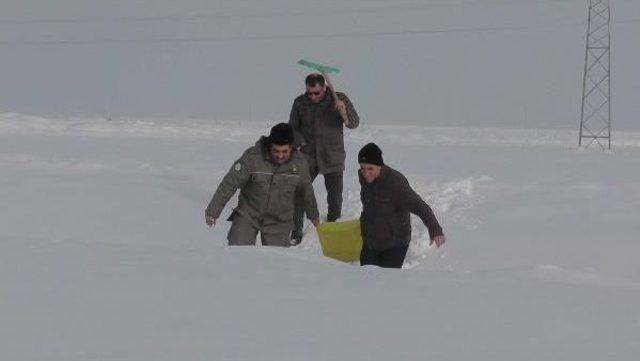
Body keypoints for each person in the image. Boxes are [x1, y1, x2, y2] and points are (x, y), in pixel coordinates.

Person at [205, 123, 320, 247]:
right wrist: (213, 211)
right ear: (269, 145)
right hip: (248, 215)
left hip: (279, 220)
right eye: (276, 151)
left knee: (276, 261)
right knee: (238, 253)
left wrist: (314, 216)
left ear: (291, 148)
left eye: (284, 151)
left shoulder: (299, 164)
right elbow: (229, 183)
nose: (280, 155)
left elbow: (307, 192)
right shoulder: (252, 158)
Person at [289, 73, 360, 244]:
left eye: (317, 93)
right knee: (299, 193)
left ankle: (333, 228)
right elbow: (292, 128)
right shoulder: (299, 102)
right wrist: (301, 142)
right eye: (309, 93)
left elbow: (354, 123)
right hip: (308, 156)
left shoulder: (338, 98)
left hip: (332, 154)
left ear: (325, 88)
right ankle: (296, 231)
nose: (312, 96)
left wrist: (344, 110)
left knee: (335, 198)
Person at [357, 143, 446, 268]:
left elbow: (419, 206)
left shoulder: (395, 183)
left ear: (380, 166)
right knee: (366, 278)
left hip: (395, 243)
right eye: (363, 168)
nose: (366, 173)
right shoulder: (362, 177)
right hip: (370, 241)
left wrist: (435, 229)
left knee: (386, 282)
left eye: (370, 168)